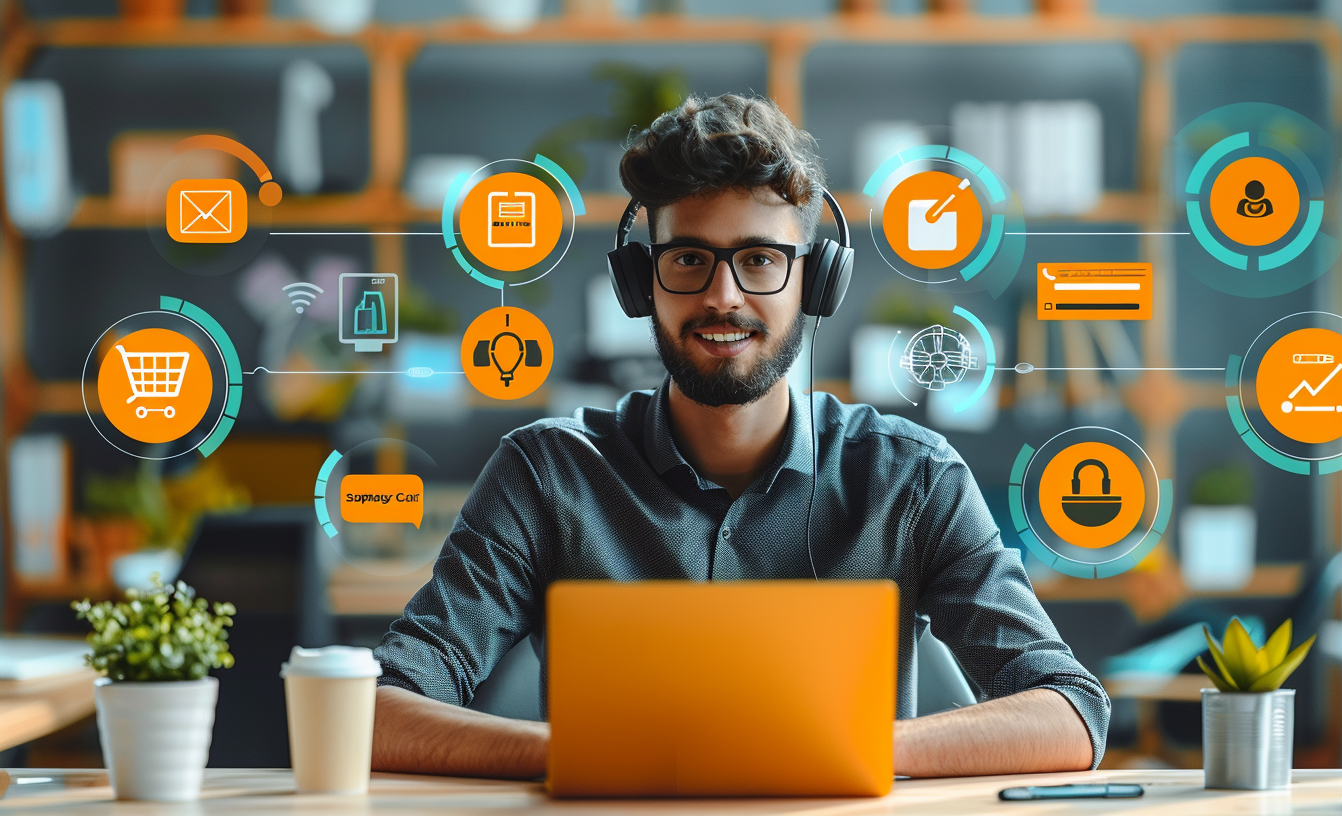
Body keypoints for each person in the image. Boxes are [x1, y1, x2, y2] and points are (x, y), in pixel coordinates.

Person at [371, 93, 1109, 780]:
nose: (724, 296)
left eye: (759, 259)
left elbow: (1072, 713)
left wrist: (841, 745)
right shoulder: (546, 474)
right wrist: (580, 753)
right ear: (641, 282)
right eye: (689, 258)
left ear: (814, 282)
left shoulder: (911, 479)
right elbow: (377, 714)